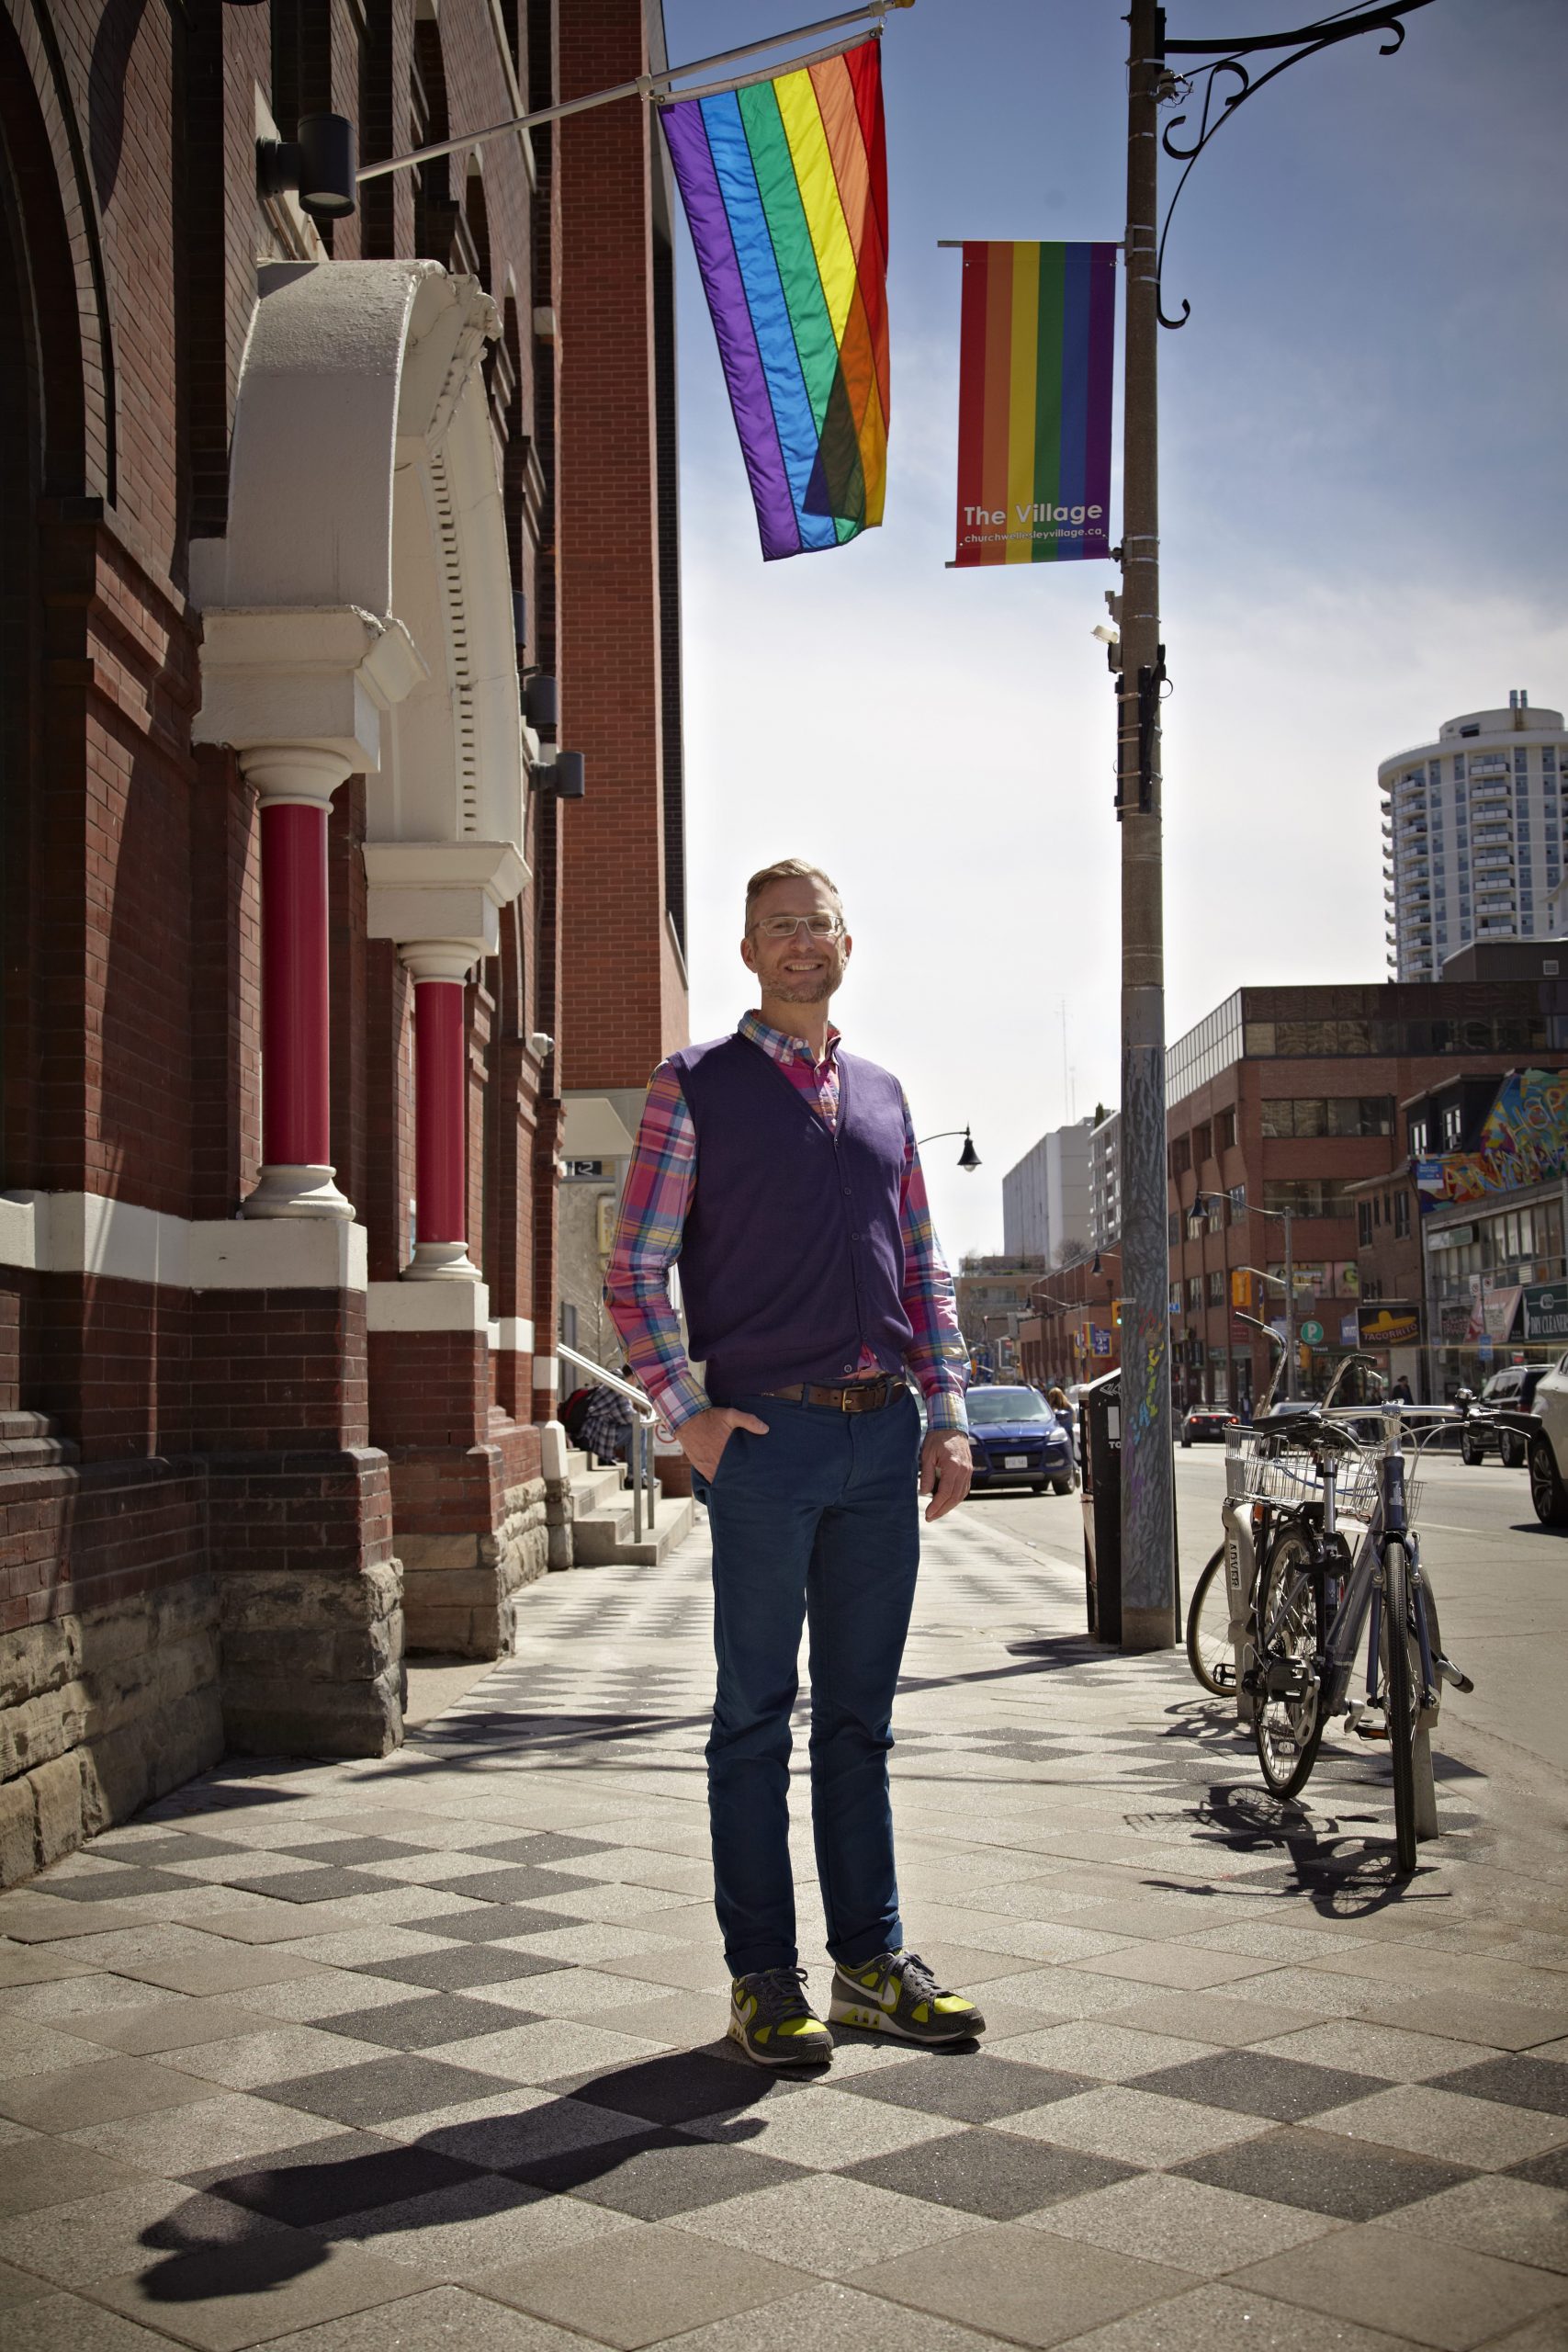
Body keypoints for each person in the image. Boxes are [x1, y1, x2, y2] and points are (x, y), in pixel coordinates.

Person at [605, 857, 981, 2068]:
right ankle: (764, 1978)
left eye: (816, 922)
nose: (800, 942)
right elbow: (634, 1270)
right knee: (756, 1720)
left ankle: (870, 1967)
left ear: (846, 942)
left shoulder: (881, 1095)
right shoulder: (694, 1086)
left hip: (884, 1441)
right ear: (748, 953)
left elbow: (923, 1266)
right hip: (765, 1441)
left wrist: (950, 1408)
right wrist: (687, 1415)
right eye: (777, 928)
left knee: (860, 1723)